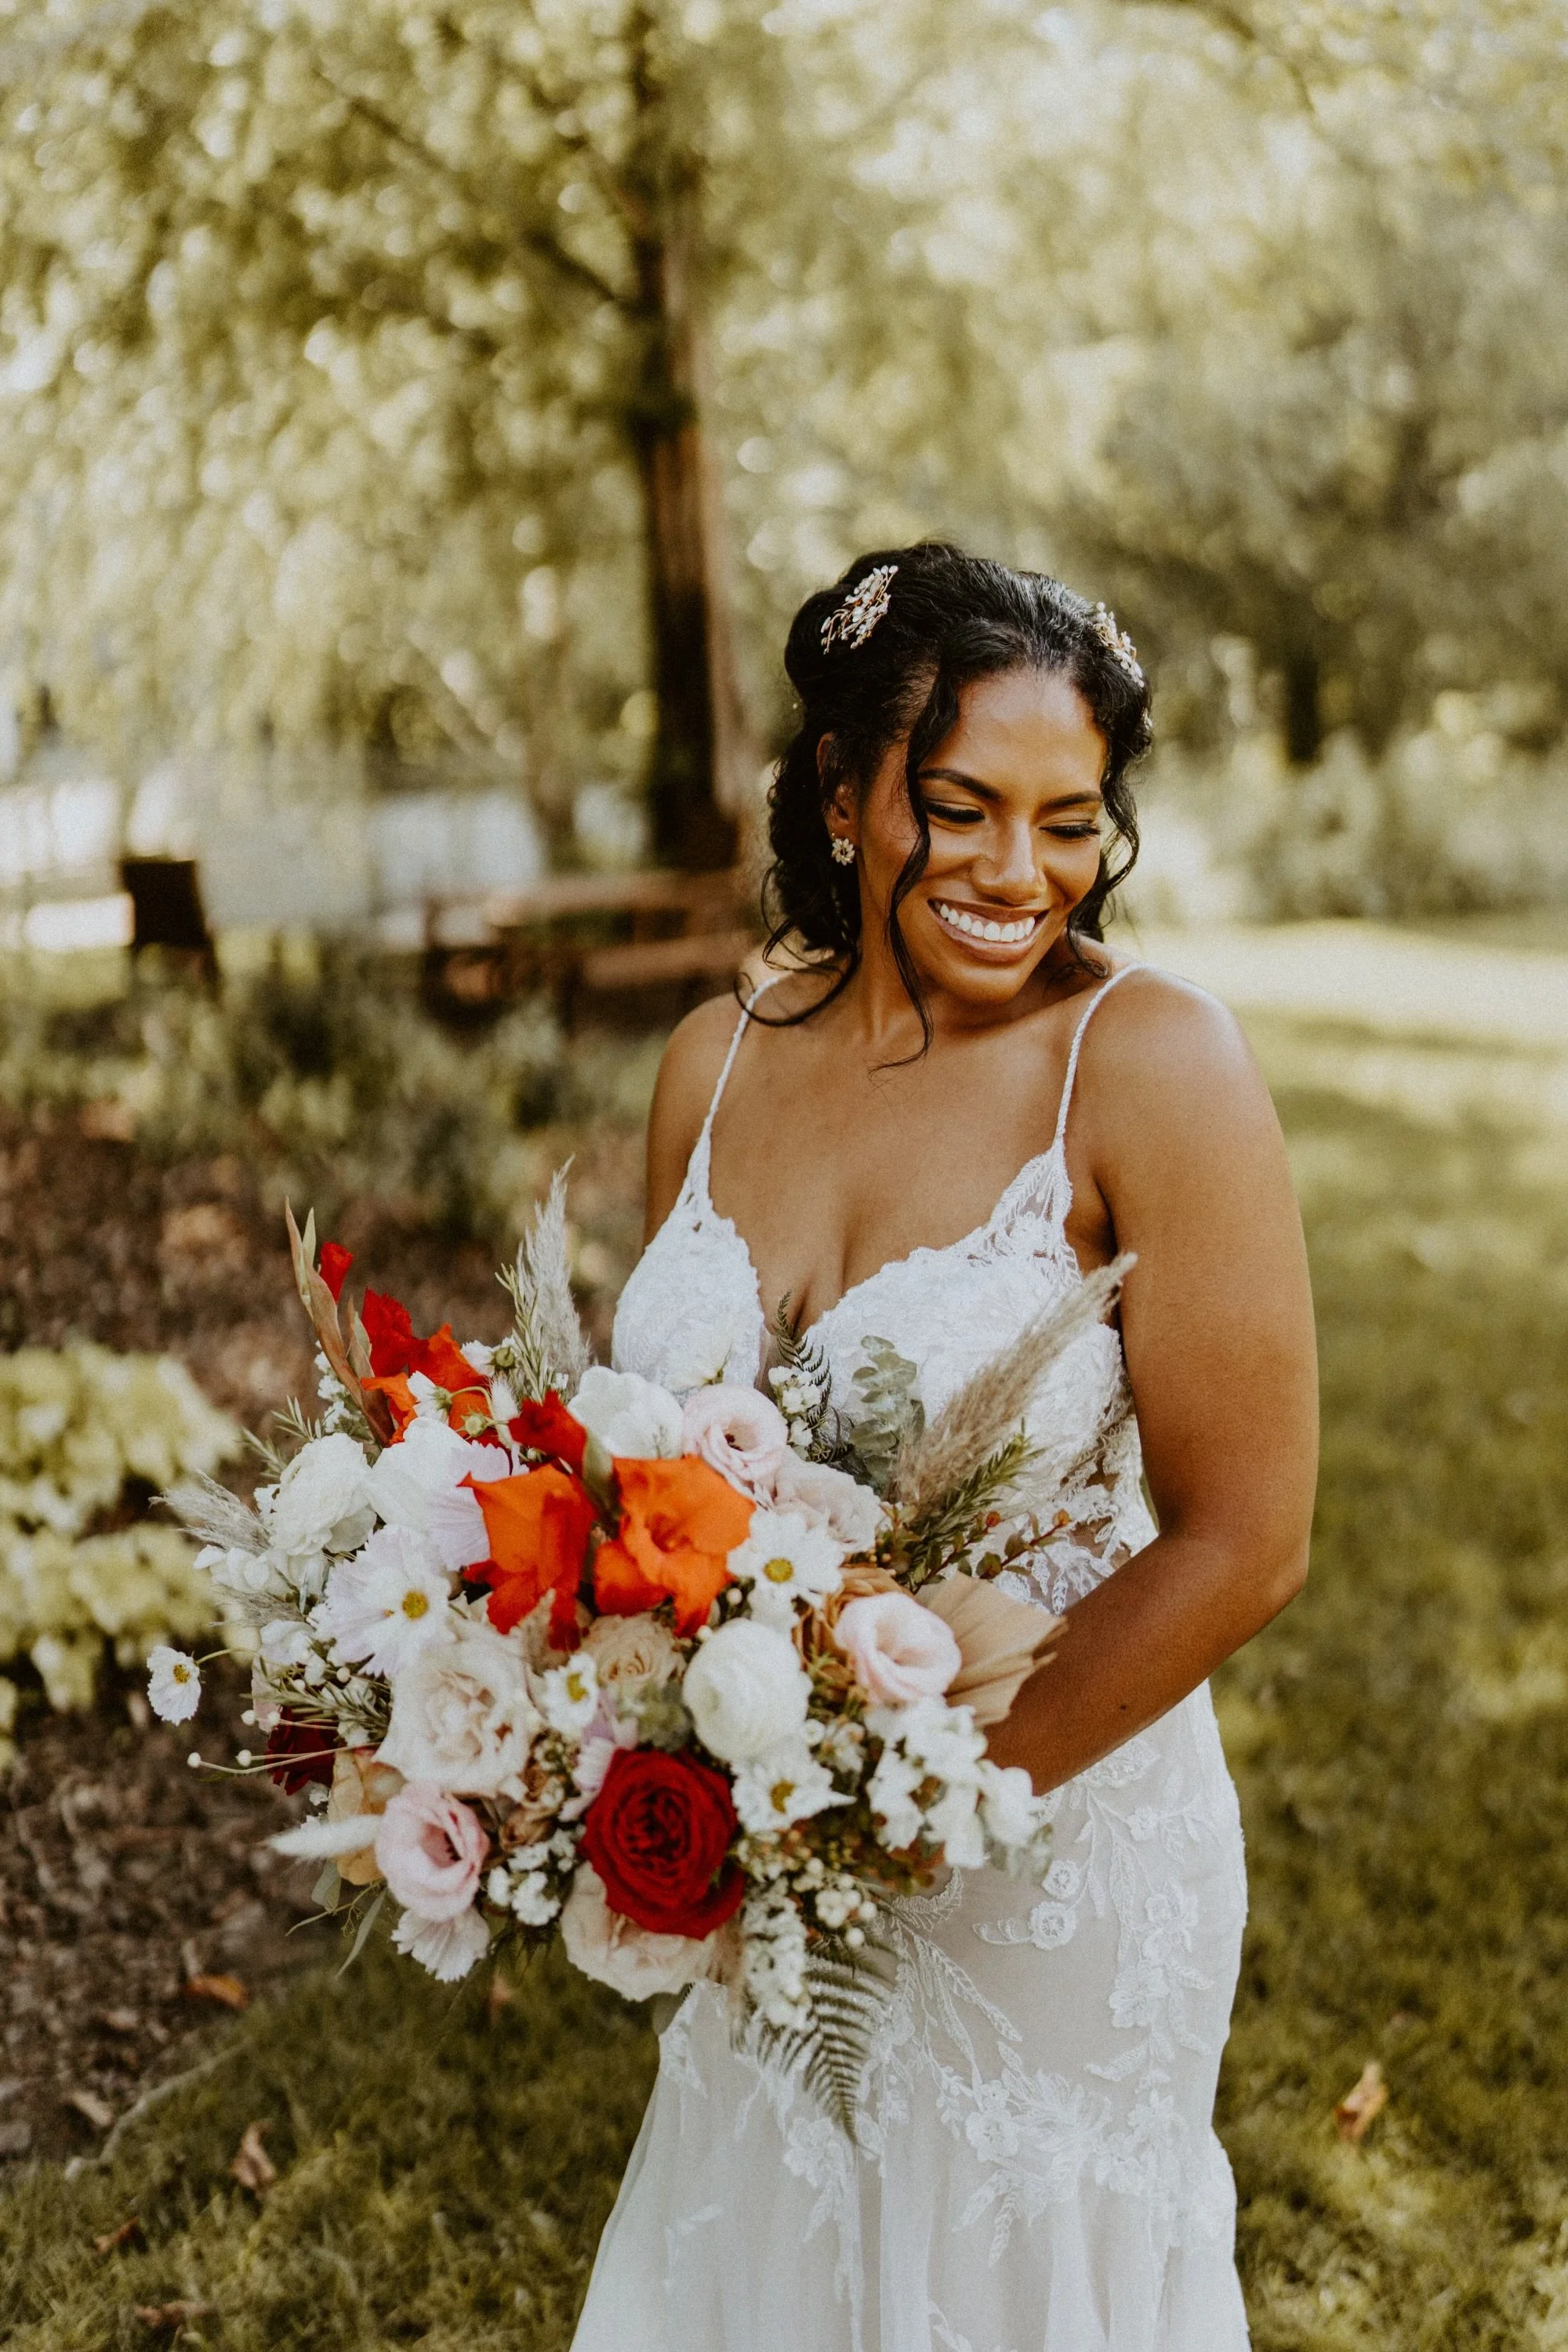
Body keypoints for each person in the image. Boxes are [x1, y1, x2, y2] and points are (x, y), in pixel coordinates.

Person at [570, 543, 1318, 2352]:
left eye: (1068, 821)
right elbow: (653, 1477)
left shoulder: (1147, 1064)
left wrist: (909, 1821)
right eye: (961, 807)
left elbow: (1244, 1539)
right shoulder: (713, 1060)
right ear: (843, 792)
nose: (1016, 873)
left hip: (1048, 1860)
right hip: (764, 1860)